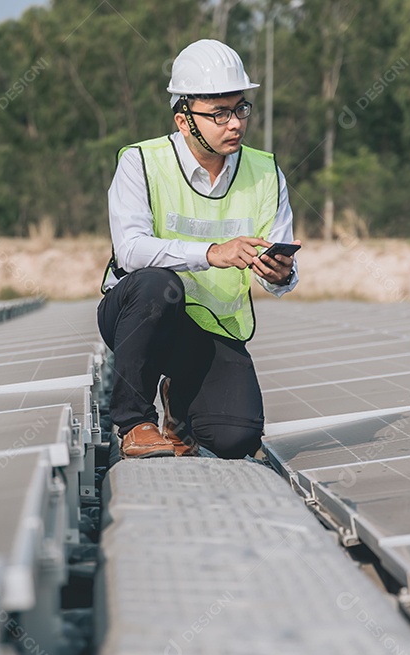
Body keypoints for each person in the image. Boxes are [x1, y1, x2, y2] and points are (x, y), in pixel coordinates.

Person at [97, 38, 299, 460]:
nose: (236, 124)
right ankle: (134, 422)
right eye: (219, 113)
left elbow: (280, 262)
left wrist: (282, 275)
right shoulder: (141, 162)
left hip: (211, 328)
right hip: (141, 314)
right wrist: (212, 253)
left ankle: (179, 402)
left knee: (235, 438)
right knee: (157, 285)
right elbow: (130, 251)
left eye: (240, 108)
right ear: (184, 120)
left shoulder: (265, 172)